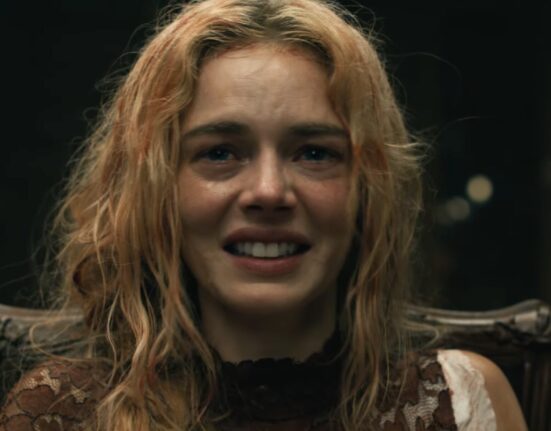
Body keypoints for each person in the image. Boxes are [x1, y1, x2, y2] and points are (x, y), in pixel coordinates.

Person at [0, 0, 527, 430]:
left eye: (314, 153)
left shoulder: (460, 402)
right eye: (220, 152)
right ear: (156, 190)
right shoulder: (60, 412)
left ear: (369, 188)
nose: (269, 191)